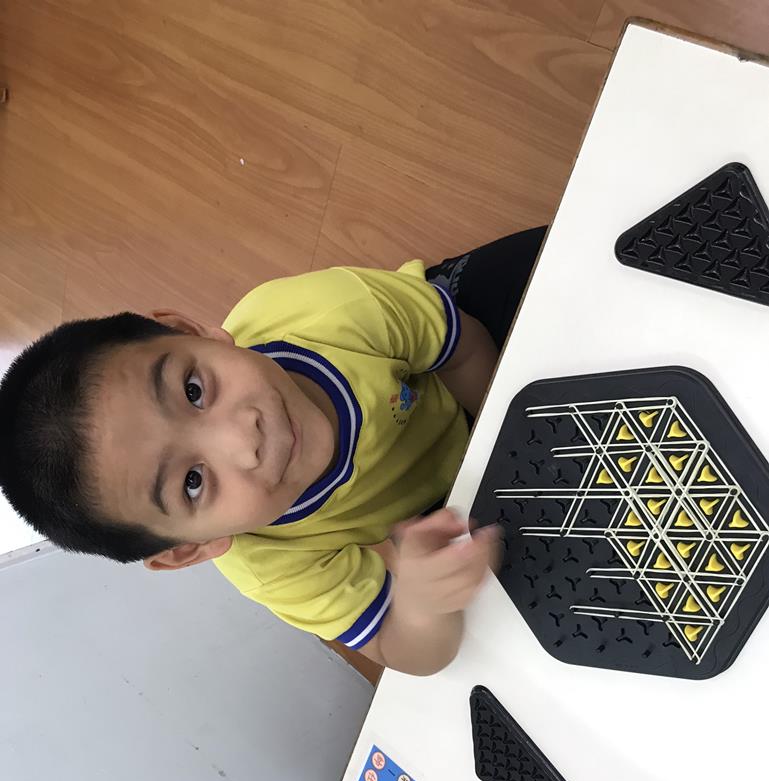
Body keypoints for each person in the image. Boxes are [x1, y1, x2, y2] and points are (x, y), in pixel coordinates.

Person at [0, 229, 546, 675]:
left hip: (454, 350)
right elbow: (404, 649)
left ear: (191, 331)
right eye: (192, 482)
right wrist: (424, 609)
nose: (244, 438)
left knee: (557, 265)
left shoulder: (324, 313)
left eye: (194, 390)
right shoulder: (268, 566)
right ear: (190, 549)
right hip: (441, 498)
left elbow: (463, 349)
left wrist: (516, 449)